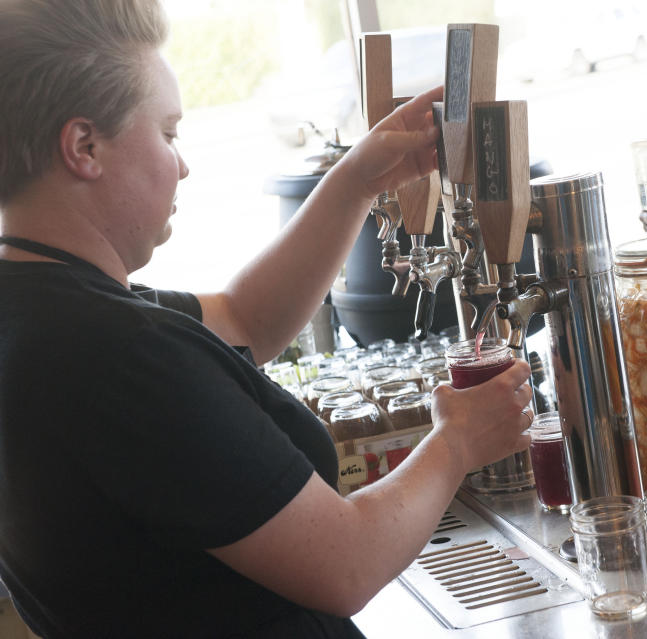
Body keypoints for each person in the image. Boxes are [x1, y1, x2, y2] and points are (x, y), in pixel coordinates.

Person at [0, 1, 533, 637]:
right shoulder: (114, 353)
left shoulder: (40, 304)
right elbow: (345, 563)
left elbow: (244, 320)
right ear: (85, 147)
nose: (183, 163)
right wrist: (458, 442)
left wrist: (358, 178)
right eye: (169, 134)